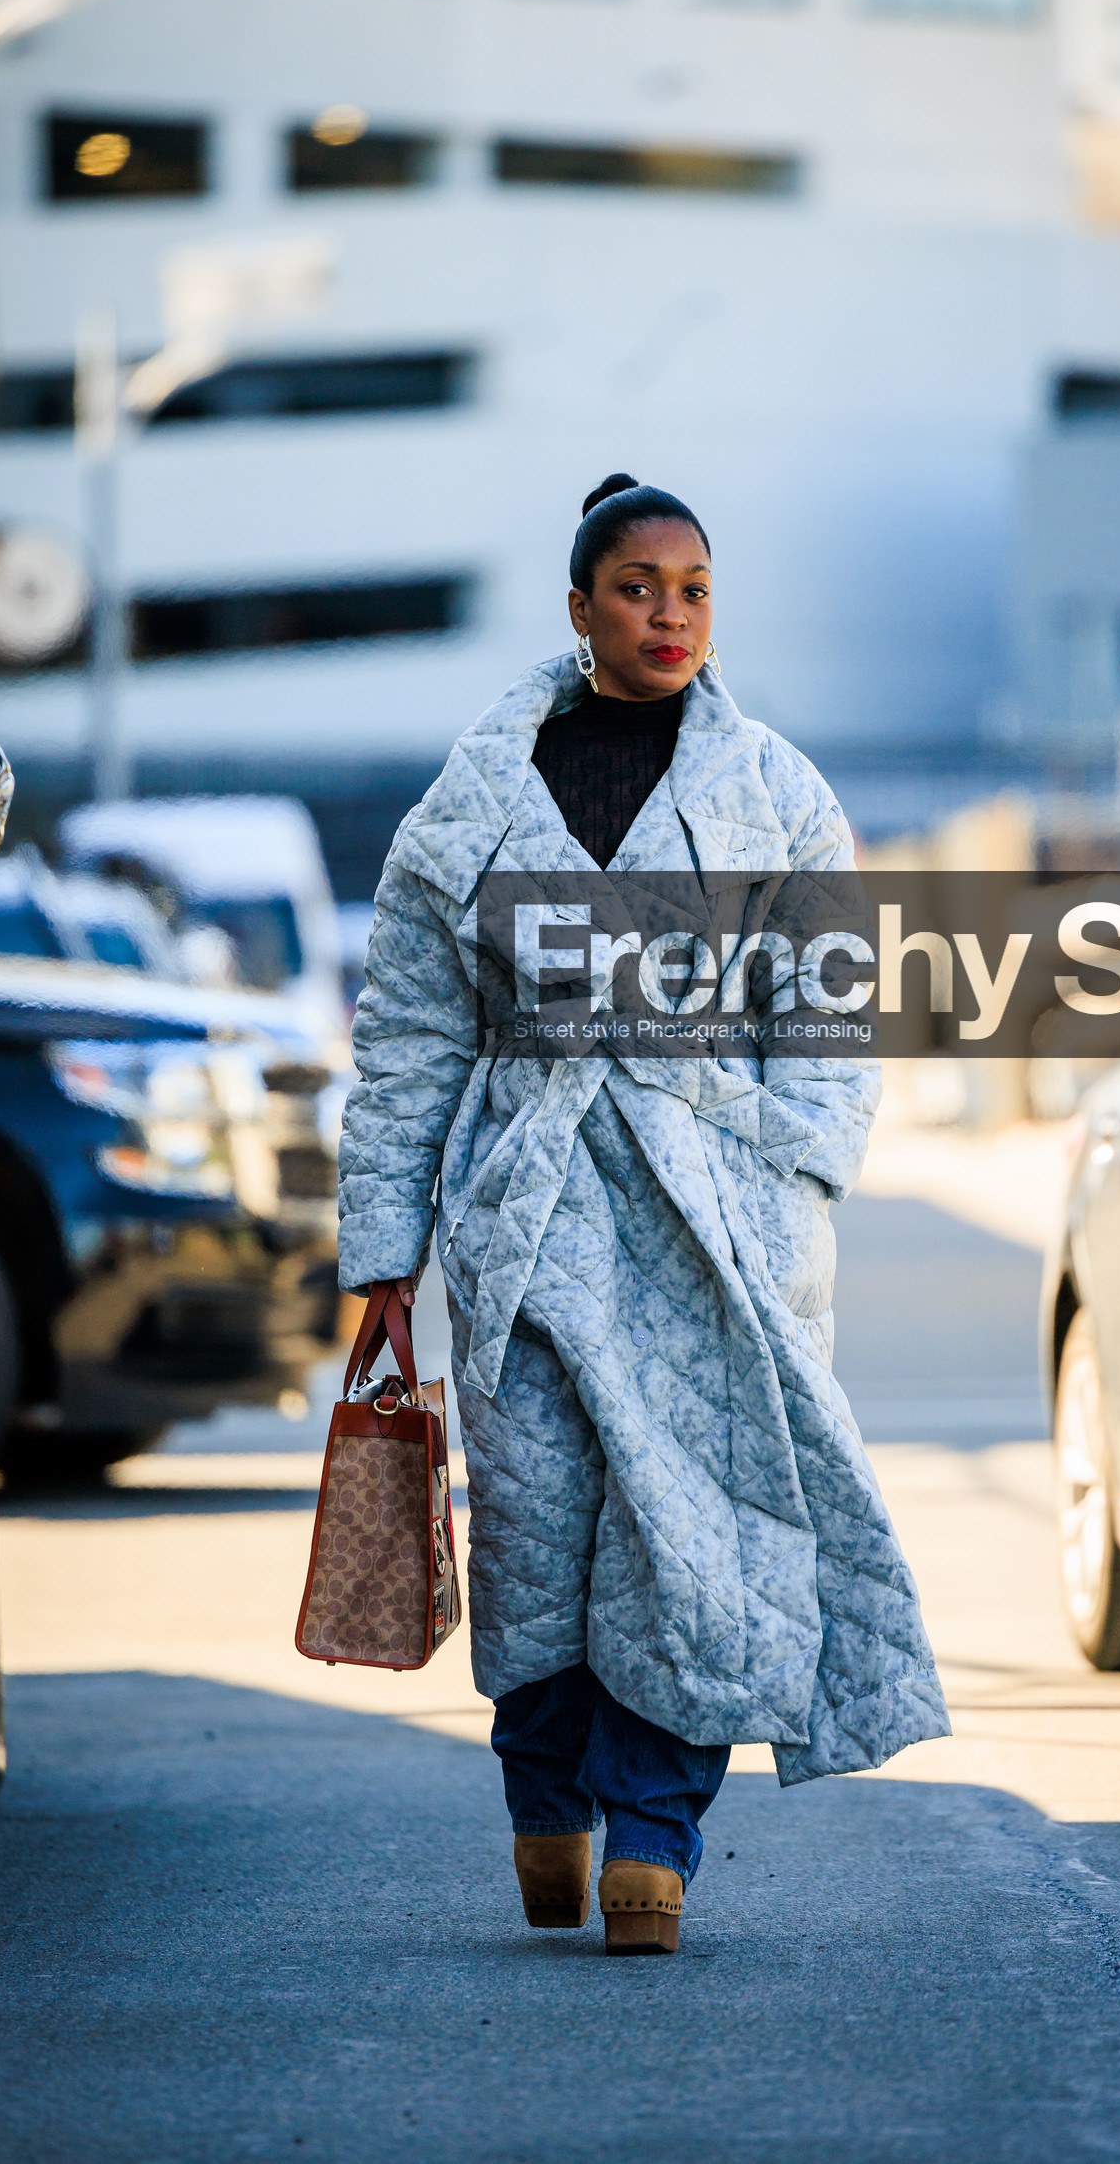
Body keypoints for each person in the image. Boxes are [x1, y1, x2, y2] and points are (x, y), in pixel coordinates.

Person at [338, 473, 948, 1956]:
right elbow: (412, 1030)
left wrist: (794, 1175)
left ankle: (653, 1833)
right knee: (539, 1532)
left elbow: (829, 1003)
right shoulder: (475, 798)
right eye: (636, 586)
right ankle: (546, 1800)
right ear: (578, 608)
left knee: (698, 1534)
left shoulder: (776, 793)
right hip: (526, 1217)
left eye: (693, 589)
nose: (669, 613)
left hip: (712, 1223)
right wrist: (386, 1253)